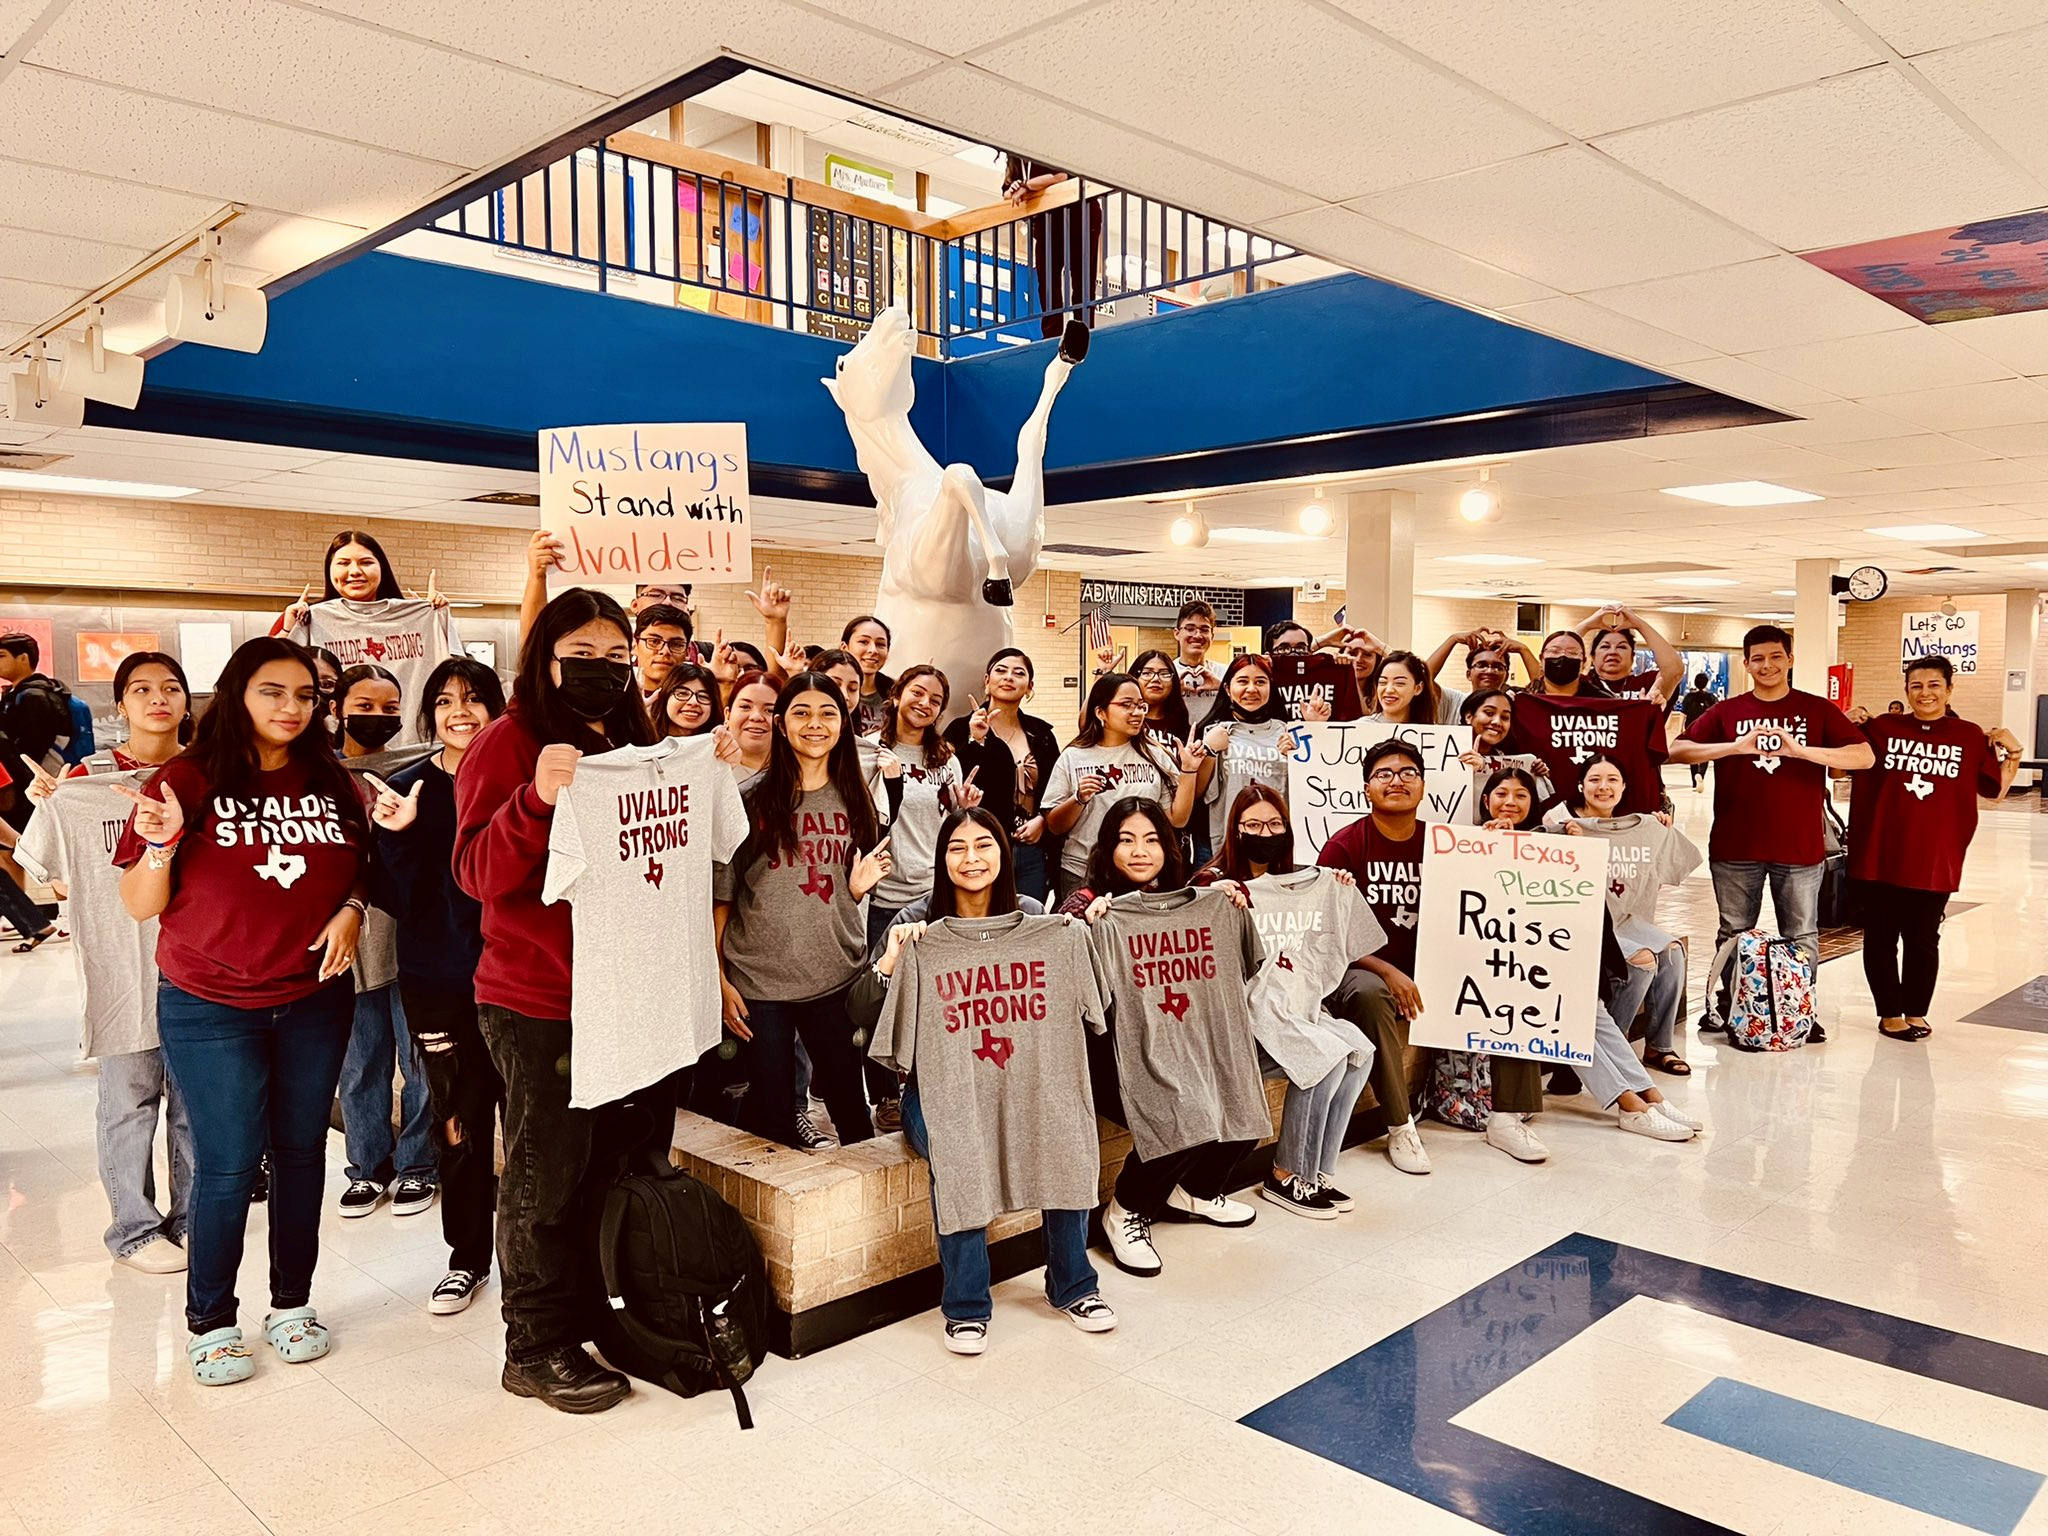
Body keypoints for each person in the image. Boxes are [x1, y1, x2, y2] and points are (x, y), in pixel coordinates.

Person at [112, 636, 369, 1385]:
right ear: (236, 695)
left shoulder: (332, 780)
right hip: (209, 1003)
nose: (291, 708)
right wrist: (158, 848)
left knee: (300, 1155)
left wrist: (351, 907)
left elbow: (361, 862)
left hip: (315, 998)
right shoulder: (186, 781)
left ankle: (291, 1304)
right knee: (226, 1163)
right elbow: (137, 906)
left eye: (304, 695)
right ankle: (212, 1319)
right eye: (272, 692)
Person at [453, 587, 663, 1414]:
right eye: (582, 656)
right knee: (543, 1177)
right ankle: (533, 1346)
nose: (601, 672)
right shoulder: (506, 744)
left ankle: (594, 1315)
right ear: (544, 657)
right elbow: (474, 872)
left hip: (626, 995)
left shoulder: (637, 738)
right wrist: (534, 800)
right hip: (539, 1000)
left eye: (618, 659)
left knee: (606, 1168)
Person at [852, 806, 1115, 1353]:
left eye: (984, 845)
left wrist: (1083, 934)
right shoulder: (916, 927)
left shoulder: (1040, 922)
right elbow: (860, 1016)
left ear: (1004, 853)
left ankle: (1073, 1286)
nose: (971, 859)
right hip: (942, 1092)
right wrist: (890, 964)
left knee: (1066, 1130)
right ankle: (967, 1304)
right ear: (940, 858)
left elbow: (1096, 1010)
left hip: (1030, 1083)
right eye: (957, 848)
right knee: (956, 1147)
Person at [18, 651, 196, 1272]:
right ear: (119, 704)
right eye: (142, 689)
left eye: (172, 687)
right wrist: (53, 804)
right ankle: (133, 1229)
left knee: (197, 1104)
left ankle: (192, 1220)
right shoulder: (83, 783)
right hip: (124, 966)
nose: (159, 699)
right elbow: (52, 876)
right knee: (129, 1099)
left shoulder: (211, 774)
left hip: (201, 964)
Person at [1320, 739, 1549, 1170]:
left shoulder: (1446, 843)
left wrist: (1502, 848)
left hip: (1436, 969)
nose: (1396, 781)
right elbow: (1329, 934)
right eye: (1384, 774)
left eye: (1408, 773)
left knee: (1510, 971)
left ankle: (1506, 1116)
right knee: (1369, 993)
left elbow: (1492, 901)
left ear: (1423, 786)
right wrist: (1388, 970)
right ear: (1366, 788)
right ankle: (1399, 1126)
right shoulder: (1345, 846)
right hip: (1363, 969)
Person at [1058, 798, 1259, 1275]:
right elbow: (1064, 982)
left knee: (1240, 1099)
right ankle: (1126, 1210)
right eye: (1125, 840)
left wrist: (1230, 904)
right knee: (1184, 1107)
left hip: (1183, 1041)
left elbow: (1246, 963)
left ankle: (1196, 1191)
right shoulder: (1088, 906)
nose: (1139, 851)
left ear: (1169, 848)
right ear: (1106, 850)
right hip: (1109, 1055)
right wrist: (1086, 930)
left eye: (1151, 839)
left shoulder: (1197, 900)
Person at [366, 657, 507, 1315]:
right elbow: (394, 899)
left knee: (534, 1128)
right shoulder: (408, 789)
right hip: (438, 984)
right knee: (459, 1125)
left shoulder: (521, 782)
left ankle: (538, 1262)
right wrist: (396, 838)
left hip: (522, 982)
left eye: (475, 699)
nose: (460, 712)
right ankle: (467, 1258)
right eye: (446, 700)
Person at [715, 672, 892, 1151]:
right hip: (760, 984)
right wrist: (720, 978)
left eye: (827, 713)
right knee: (773, 1121)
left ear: (844, 723)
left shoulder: (858, 801)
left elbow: (845, 887)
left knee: (852, 1115)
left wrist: (854, 893)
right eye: (801, 712)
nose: (815, 724)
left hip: (835, 977)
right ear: (780, 722)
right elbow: (723, 898)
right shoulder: (749, 800)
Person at [1670, 625, 1873, 1041]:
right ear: (1746, 664)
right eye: (1758, 658)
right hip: (1735, 845)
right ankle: (1730, 1008)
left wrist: (1801, 751)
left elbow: (1863, 756)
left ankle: (1799, 1008)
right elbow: (1677, 750)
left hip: (1799, 848)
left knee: (1801, 933)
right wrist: (1733, 747)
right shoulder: (1727, 712)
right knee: (1733, 932)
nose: (1767, 665)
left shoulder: (1817, 710)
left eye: (1776, 657)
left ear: (1790, 660)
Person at [1198, 785, 1375, 1220]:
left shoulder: (1303, 879)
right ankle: (1284, 1174)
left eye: (1275, 824)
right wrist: (1219, 901)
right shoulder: (1214, 883)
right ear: (1235, 830)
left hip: (1295, 1004)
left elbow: (1333, 938)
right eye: (1254, 825)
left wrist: (1338, 890)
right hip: (1244, 1016)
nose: (1266, 832)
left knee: (1359, 1050)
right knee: (1323, 1058)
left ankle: (1315, 1170)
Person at [1849, 656, 2020, 1042]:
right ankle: (1890, 1013)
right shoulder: (1881, 728)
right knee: (1880, 936)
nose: (1924, 693)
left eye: (1933, 685)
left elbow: (1995, 792)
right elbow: (1842, 767)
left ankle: (1916, 1010)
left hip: (1935, 857)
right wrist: (1848, 721)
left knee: (1924, 938)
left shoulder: (1969, 735)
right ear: (1906, 690)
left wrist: (2015, 753)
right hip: (1880, 853)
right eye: (1916, 686)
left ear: (1949, 689)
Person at [332, 665, 435, 1220]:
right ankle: (367, 1167)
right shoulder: (319, 772)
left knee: (420, 1058)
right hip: (347, 936)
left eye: (388, 708)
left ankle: (419, 1165)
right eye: (364, 707)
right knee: (361, 1059)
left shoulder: (418, 767)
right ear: (338, 706)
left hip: (412, 936)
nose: (378, 718)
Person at [864, 664, 978, 1130]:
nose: (925, 704)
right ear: (896, 695)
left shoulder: (944, 758)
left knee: (933, 997)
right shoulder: (871, 751)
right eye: (917, 693)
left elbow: (949, 820)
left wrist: (965, 809)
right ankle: (885, 1096)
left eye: (935, 699)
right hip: (886, 893)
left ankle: (924, 1084)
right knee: (883, 995)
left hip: (933, 893)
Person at [1549, 754, 1697, 1076]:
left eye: (1612, 779)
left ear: (1624, 786)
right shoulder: (1560, 824)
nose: (1604, 787)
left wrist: (1661, 831)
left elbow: (1673, 868)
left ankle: (1659, 1047)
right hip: (1587, 923)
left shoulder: (1645, 827)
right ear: (1580, 785)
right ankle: (1608, 1048)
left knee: (1672, 952)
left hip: (1629, 920)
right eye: (1594, 779)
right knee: (1642, 961)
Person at [1042, 673, 1202, 902]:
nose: (1136, 713)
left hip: (1140, 873)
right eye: (1126, 705)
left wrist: (1189, 770)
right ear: (1100, 712)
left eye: (1140, 706)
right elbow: (1054, 826)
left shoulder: (1155, 754)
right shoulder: (1074, 757)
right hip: (1082, 872)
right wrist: (1078, 798)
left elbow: (1177, 819)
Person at [945, 648, 1062, 904]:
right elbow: (949, 780)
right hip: (981, 846)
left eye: (1018, 673)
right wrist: (975, 739)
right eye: (1001, 670)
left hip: (1032, 849)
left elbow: (1057, 787)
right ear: (987, 681)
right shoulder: (958, 729)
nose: (1009, 677)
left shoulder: (1041, 735)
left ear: (1029, 686)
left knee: (1029, 920)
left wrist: (1043, 819)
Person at [1191, 654, 1298, 852]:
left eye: (1260, 682)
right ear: (1227, 689)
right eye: (1242, 681)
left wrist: (1300, 755)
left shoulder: (1288, 733)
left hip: (1276, 842)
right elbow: (1197, 794)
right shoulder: (1214, 733)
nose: (1251, 689)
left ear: (1270, 688)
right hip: (1229, 844)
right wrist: (1209, 750)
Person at [1002, 153, 1104, 336]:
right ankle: (1052, 334)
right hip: (1048, 223)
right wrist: (1015, 188)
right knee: (1048, 282)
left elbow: (1060, 176)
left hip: (1080, 216)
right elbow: (1006, 192)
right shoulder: (1015, 158)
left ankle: (1083, 331)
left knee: (1082, 282)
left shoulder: (1045, 148)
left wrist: (1027, 186)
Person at [0, 630, 77, 781]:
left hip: (38, 784)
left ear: (23, 658)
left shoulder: (35, 697)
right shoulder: (15, 695)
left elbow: (30, 751)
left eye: (1, 656)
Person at [1457, 690, 1554, 808]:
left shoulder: (1513, 762)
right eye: (1489, 713)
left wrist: (1534, 775)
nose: (1497, 722)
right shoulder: (1442, 754)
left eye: (1505, 717)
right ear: (1469, 717)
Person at [1579, 604, 1683, 705]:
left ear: (1632, 657)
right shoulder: (1579, 685)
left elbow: (1674, 670)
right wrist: (1584, 627)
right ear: (1593, 657)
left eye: (1621, 647)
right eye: (1605, 647)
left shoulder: (1647, 684)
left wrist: (1639, 625)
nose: (1613, 652)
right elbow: (1563, 658)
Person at [1425, 629, 1535, 723]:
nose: (1489, 670)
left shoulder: (1512, 703)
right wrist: (1453, 639)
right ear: (1469, 674)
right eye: (1481, 665)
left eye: (1498, 667)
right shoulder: (1453, 701)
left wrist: (1523, 650)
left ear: (1506, 676)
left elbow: (1544, 690)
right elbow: (1422, 678)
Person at [841, 616, 894, 734]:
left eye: (880, 644)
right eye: (863, 642)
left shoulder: (896, 694)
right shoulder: (829, 689)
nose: (873, 650)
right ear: (844, 648)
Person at [1130, 648, 1193, 747]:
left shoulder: (1184, 728)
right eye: (1147, 673)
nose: (1156, 679)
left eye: (1164, 674)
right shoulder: (1123, 722)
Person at [632, 603, 694, 702]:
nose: (665, 651)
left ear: (687, 652)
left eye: (676, 644)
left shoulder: (696, 702)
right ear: (634, 646)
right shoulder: (617, 697)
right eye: (654, 641)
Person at [1366, 650, 1442, 728]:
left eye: (1399, 683)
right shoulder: (1361, 728)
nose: (1389, 690)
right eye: (1382, 682)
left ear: (1418, 688)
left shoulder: (1433, 732)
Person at [651, 662, 724, 739]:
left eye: (703, 696)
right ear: (665, 697)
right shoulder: (643, 742)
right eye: (682, 694)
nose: (693, 702)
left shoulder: (719, 745)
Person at [1171, 600, 1223, 703]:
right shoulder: (1167, 674)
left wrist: (1223, 689)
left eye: (1204, 629)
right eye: (1190, 629)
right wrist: (1172, 692)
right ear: (1176, 633)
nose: (1197, 635)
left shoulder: (1225, 673)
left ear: (1212, 636)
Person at [1678, 672, 1719, 791]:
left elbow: (1683, 714)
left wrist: (1680, 728)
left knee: (1692, 754)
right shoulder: (1711, 698)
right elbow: (1715, 715)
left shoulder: (1689, 697)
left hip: (1691, 729)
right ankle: (1701, 774)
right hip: (1707, 729)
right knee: (1704, 753)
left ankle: (1694, 783)